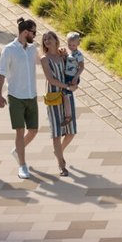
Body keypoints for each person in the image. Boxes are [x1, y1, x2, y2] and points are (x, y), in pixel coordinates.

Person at [0, 16, 42, 179]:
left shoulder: (32, 49)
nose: (35, 36)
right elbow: (1, 73)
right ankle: (22, 165)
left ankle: (17, 151)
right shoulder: (9, 50)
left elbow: (41, 62)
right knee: (19, 132)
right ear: (25, 32)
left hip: (31, 95)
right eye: (34, 33)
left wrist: (58, 54)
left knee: (34, 130)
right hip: (15, 96)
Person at [40, 29, 77, 177]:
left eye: (50, 38)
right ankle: (61, 165)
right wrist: (67, 86)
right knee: (56, 133)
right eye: (45, 39)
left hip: (67, 96)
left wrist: (74, 82)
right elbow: (50, 79)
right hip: (54, 97)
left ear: (56, 40)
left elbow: (72, 67)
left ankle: (58, 151)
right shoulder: (44, 59)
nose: (47, 41)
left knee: (71, 131)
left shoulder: (62, 55)